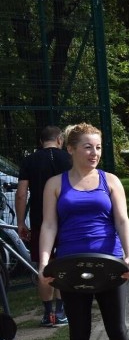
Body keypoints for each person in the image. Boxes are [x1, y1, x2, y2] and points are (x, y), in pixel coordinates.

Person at [38, 123, 129, 340]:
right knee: (79, 334)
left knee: (117, 330)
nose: (94, 153)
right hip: (71, 268)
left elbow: (122, 221)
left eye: (98, 147)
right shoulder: (55, 184)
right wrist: (44, 262)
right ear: (70, 149)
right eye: (88, 147)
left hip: (109, 265)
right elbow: (48, 225)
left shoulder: (110, 181)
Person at [16, 126, 73, 328]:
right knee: (64, 262)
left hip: (40, 221)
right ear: (60, 140)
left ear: (41, 142)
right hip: (67, 218)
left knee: (45, 264)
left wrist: (21, 222)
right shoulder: (68, 159)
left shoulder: (29, 160)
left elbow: (22, 193)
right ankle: (61, 311)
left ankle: (47, 313)